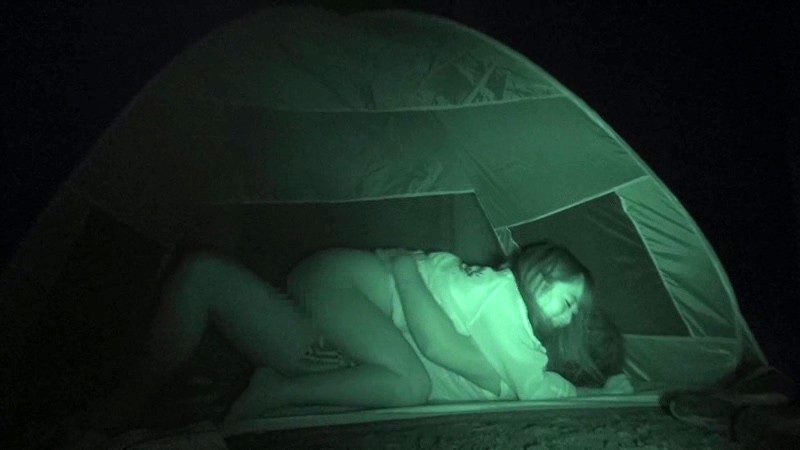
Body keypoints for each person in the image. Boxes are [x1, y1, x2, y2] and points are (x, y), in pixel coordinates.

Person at [83, 241, 628, 433]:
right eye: (569, 305)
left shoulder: (502, 338)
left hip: (343, 306)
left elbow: (521, 376)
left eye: (572, 316)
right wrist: (606, 396)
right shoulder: (503, 305)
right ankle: (274, 392)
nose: (566, 318)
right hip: (352, 284)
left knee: (203, 275)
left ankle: (126, 404)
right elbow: (531, 384)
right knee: (407, 384)